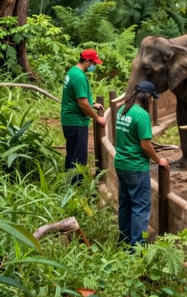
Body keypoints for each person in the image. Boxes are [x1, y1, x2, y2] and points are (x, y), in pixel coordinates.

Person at [114, 80, 169, 247]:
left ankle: (123, 242)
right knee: (140, 207)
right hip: (136, 167)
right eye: (152, 98)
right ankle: (136, 248)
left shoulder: (123, 110)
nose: (152, 101)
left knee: (125, 204)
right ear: (147, 96)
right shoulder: (142, 115)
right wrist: (159, 160)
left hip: (121, 163)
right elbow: (145, 145)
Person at [60, 48, 107, 183]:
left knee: (71, 155)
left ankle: (67, 184)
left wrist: (91, 102)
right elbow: (82, 104)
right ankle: (75, 189)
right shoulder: (79, 77)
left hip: (69, 120)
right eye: (94, 63)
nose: (95, 66)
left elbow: (76, 96)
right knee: (79, 158)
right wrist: (98, 118)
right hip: (77, 122)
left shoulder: (72, 72)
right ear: (87, 61)